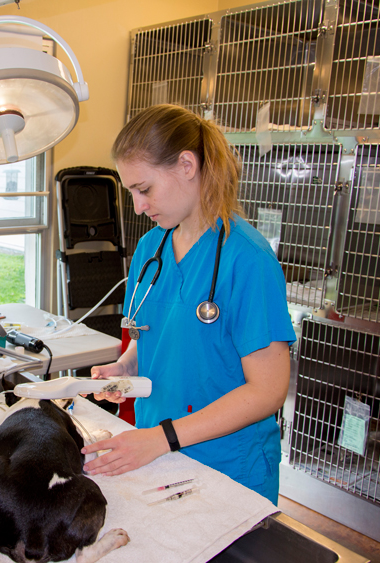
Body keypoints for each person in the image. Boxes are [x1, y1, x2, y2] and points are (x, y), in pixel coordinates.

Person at [81, 104, 296, 504]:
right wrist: (126, 367)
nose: (138, 206)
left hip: (228, 466)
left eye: (144, 189)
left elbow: (268, 390)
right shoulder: (152, 248)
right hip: (159, 455)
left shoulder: (247, 259)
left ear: (186, 165)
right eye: (131, 192)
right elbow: (152, 337)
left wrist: (163, 438)